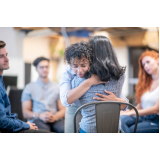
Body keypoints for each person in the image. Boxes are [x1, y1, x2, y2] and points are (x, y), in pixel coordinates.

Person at [60, 36, 128, 133]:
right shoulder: (120, 74)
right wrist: (89, 82)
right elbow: (65, 100)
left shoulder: (79, 80)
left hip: (88, 126)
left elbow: (119, 99)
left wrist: (116, 100)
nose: (79, 70)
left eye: (83, 65)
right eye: (75, 66)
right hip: (112, 127)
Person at [0, 41, 50, 133]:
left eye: (6, 55)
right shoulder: (29, 87)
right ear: (36, 69)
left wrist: (23, 124)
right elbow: (2, 121)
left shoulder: (1, 81)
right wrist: (26, 125)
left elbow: (7, 117)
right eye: (1, 56)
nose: (7, 59)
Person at [21, 57, 65, 133]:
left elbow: (63, 109)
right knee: (43, 131)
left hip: (54, 118)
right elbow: (25, 113)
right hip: (37, 119)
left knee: (65, 129)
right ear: (36, 69)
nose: (44, 69)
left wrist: (55, 116)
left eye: (46, 67)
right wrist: (39, 115)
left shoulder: (57, 87)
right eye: (41, 67)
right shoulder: (29, 87)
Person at [120, 50, 159, 133]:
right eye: (144, 64)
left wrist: (131, 113)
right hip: (142, 117)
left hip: (156, 120)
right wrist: (130, 111)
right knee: (120, 120)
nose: (146, 66)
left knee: (131, 130)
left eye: (148, 62)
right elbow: (141, 106)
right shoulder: (147, 83)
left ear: (158, 60)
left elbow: (156, 109)